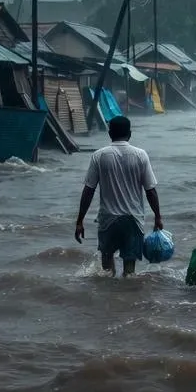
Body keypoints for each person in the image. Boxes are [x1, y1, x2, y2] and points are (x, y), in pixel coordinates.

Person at [74, 116, 164, 277]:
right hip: (133, 220)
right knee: (130, 272)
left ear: (110, 133)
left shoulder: (99, 156)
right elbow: (150, 190)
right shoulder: (140, 155)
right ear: (130, 133)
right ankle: (127, 292)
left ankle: (108, 292)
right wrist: (158, 217)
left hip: (108, 220)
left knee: (106, 270)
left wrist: (80, 221)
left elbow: (88, 190)